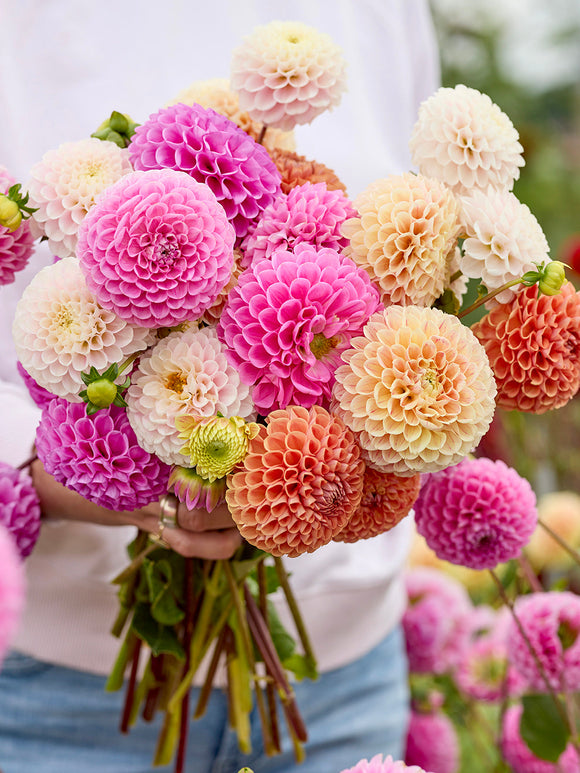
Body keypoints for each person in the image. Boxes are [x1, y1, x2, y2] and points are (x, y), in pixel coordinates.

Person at [0, 2, 440, 771]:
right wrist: (53, 470)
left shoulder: (385, 14)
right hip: (56, 690)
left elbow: (424, 260)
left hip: (342, 667)